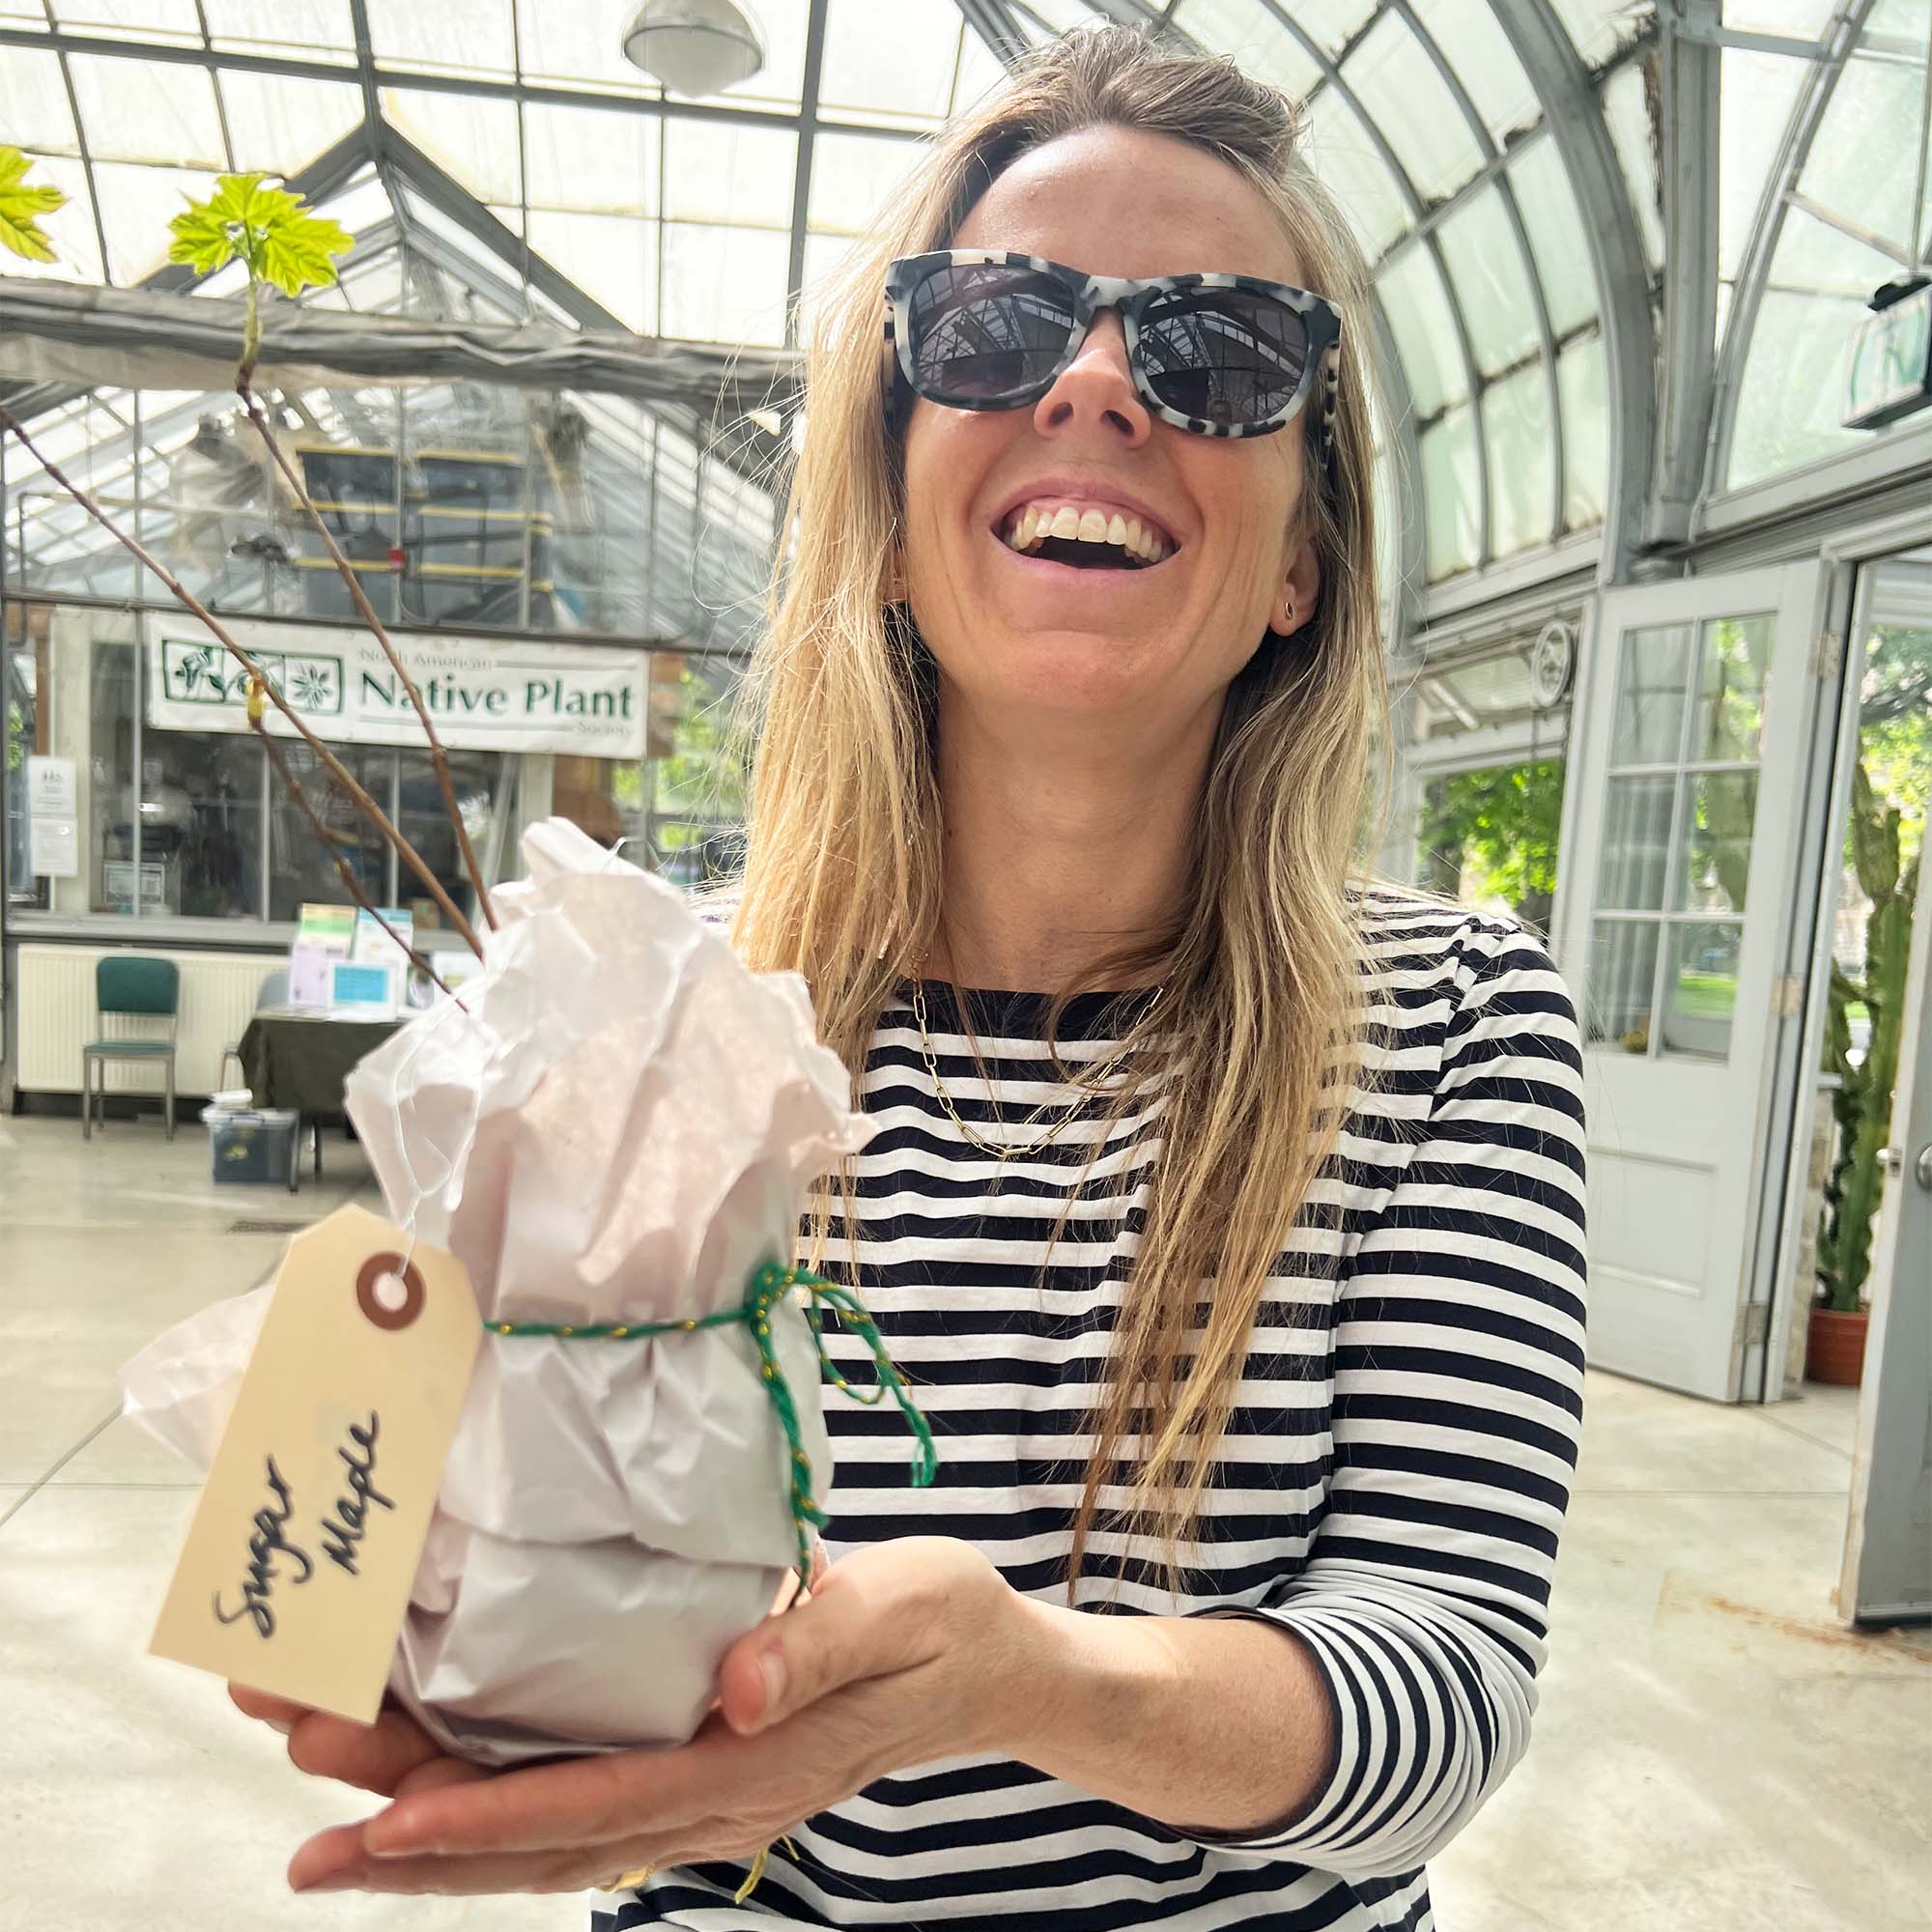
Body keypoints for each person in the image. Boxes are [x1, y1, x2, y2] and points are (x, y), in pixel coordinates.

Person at [231, 26, 1587, 1931]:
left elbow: (1444, 1685)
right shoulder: (657, 1021)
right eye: (995, 322)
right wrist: (412, 1589)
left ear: (1301, 563)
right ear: (886, 504)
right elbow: (451, 1504)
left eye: (1216, 352)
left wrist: (1012, 1677)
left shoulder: (1447, 1021)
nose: (1100, 381)